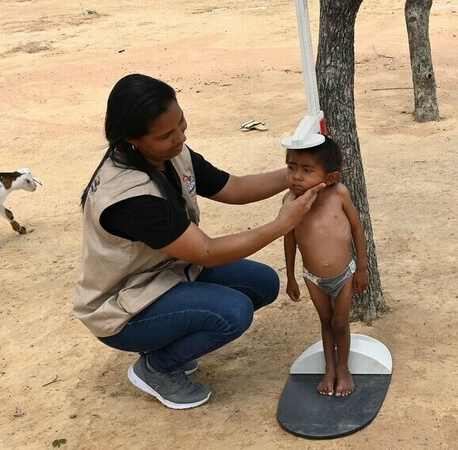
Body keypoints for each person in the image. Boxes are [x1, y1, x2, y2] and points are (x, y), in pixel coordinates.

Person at [73, 73, 324, 410]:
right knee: (232, 312)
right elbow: (207, 252)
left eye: (180, 122)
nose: (180, 137)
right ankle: (156, 368)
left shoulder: (170, 155)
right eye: (166, 134)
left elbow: (233, 187)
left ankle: (170, 345)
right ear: (132, 138)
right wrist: (282, 224)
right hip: (122, 308)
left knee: (262, 283)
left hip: (164, 275)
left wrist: (299, 170)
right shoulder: (130, 196)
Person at [282, 136, 368, 397]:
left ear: (330, 177)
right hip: (312, 277)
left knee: (341, 322)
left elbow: (356, 228)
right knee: (325, 320)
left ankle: (343, 368)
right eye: (291, 167)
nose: (297, 176)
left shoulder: (338, 193)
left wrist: (362, 269)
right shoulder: (290, 203)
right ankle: (329, 369)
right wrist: (291, 277)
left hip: (344, 274)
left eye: (307, 170)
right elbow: (289, 238)